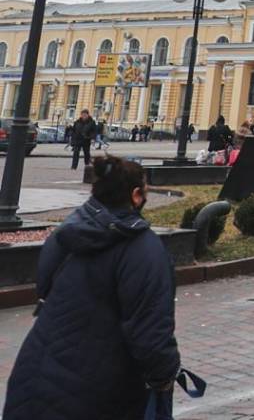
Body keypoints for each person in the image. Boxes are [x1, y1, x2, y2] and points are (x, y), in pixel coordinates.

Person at [4, 156, 182, 420]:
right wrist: (165, 378)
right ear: (135, 196)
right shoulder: (144, 250)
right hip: (98, 393)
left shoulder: (67, 232)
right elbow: (151, 335)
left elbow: (44, 288)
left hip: (34, 376)